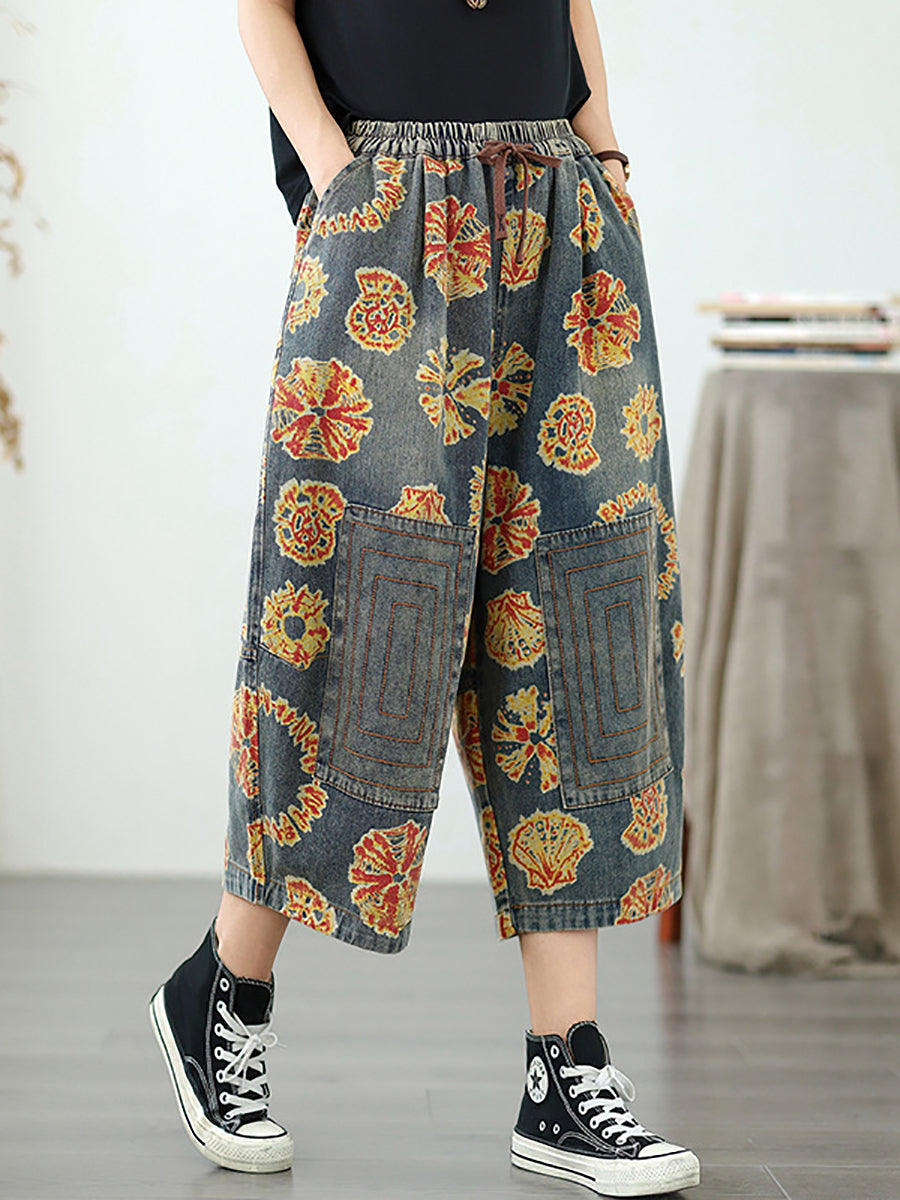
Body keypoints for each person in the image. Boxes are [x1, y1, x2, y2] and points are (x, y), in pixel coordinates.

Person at [148, 1, 699, 1194]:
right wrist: (335, 170)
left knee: (579, 612)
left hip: (562, 209)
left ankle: (566, 1066)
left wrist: (605, 151)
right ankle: (225, 987)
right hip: (388, 209)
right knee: (357, 624)